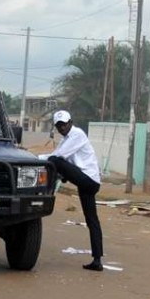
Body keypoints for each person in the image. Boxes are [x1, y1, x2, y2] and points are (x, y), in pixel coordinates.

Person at [40, 109, 104, 271]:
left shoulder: (77, 134)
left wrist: (36, 158)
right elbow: (57, 153)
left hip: (88, 180)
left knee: (55, 161)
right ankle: (97, 260)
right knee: (91, 220)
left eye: (64, 124)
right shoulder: (67, 139)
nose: (62, 128)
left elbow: (59, 156)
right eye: (59, 126)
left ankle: (48, 189)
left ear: (71, 122)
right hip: (86, 182)